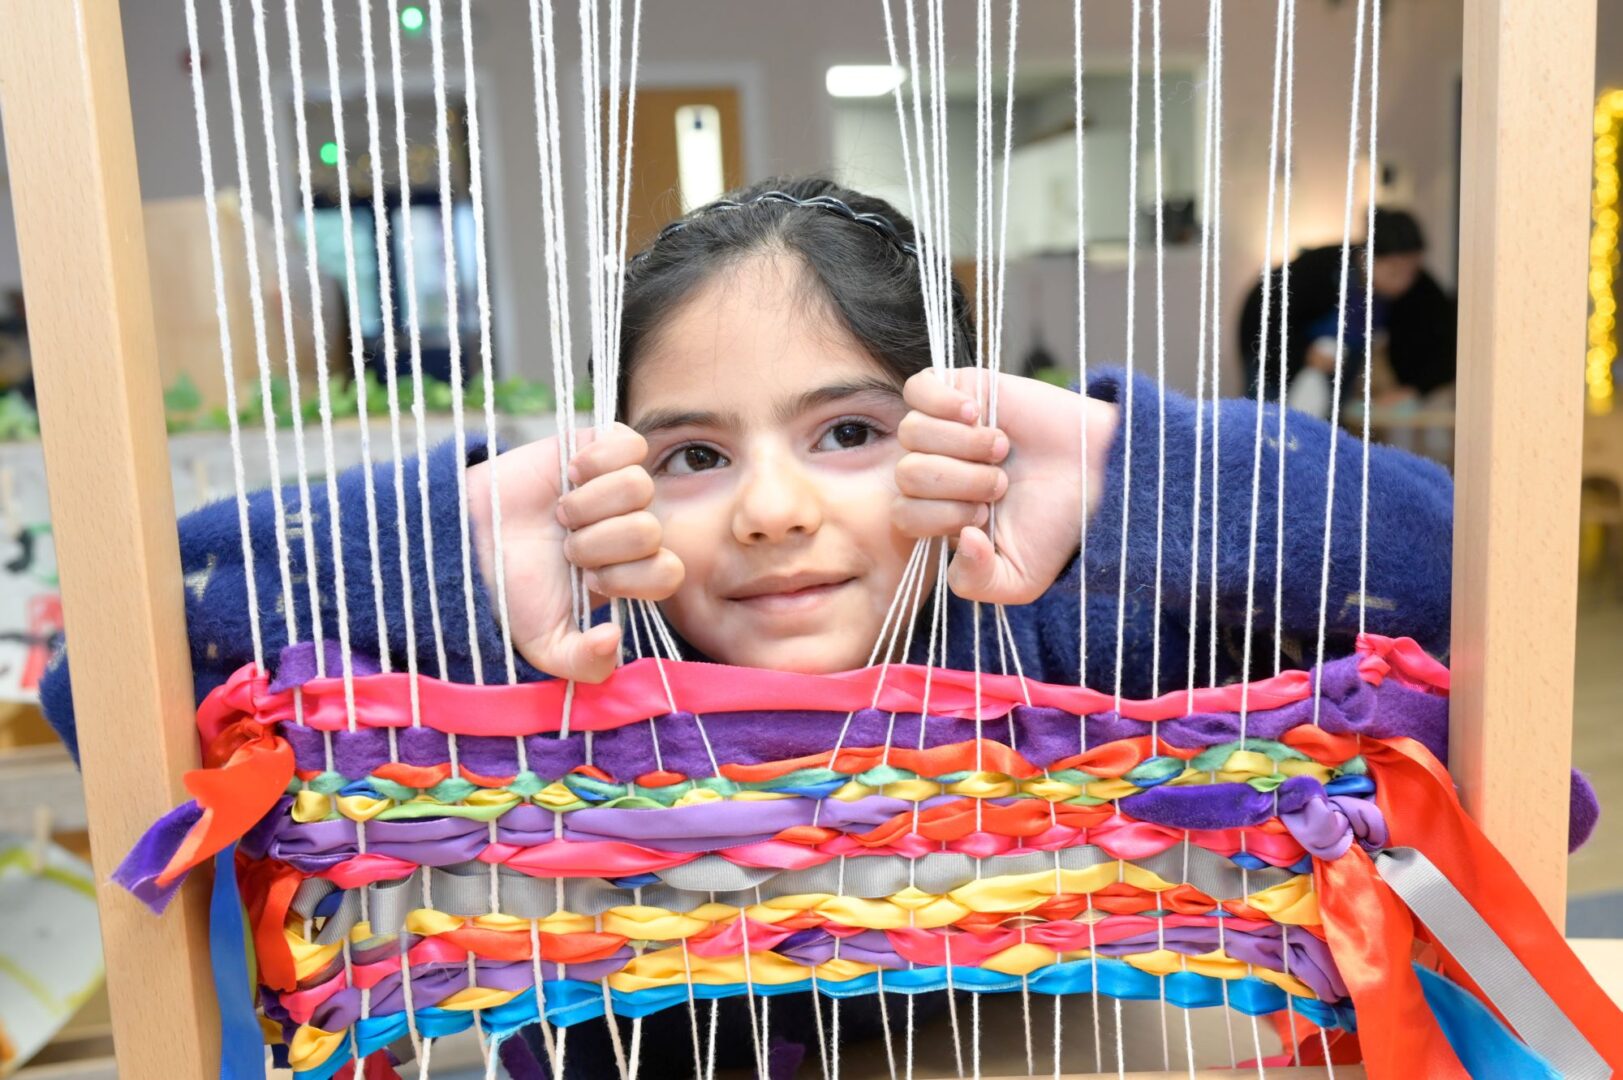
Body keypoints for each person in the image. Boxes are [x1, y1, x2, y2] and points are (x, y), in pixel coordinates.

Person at [37, 178, 1592, 1078]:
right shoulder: (577, 654)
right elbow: (100, 680)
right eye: (693, 456)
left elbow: (1462, 582)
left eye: (845, 432)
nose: (770, 512)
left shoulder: (1047, 633)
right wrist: (458, 555)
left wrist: (1127, 478)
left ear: (953, 435)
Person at [1238, 207, 1457, 413]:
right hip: (1279, 361)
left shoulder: (1420, 289)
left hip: (1341, 370)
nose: (1404, 282)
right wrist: (1303, 352)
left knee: (1329, 432)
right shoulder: (1317, 270)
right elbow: (1262, 317)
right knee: (1266, 426)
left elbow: (1448, 346)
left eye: (1411, 271)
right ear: (1364, 259)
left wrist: (1414, 389)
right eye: (1393, 271)